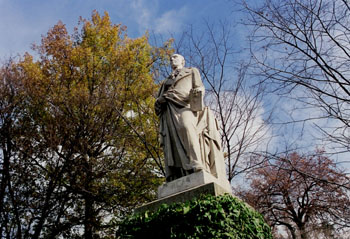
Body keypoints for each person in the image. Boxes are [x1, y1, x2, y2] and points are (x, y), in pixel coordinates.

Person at [155, 54, 226, 182]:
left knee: (187, 127)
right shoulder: (166, 81)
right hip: (169, 110)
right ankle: (177, 173)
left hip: (185, 106)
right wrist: (160, 101)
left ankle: (196, 162)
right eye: (170, 58)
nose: (172, 59)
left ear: (183, 61)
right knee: (170, 140)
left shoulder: (192, 71)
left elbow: (199, 87)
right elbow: (157, 103)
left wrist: (197, 95)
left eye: (175, 57)